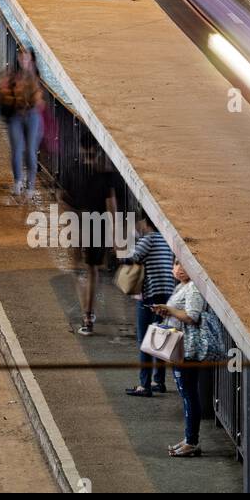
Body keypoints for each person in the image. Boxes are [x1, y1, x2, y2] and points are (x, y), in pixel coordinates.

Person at [152, 260, 206, 457]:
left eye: (179, 264)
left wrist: (170, 310)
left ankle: (192, 441)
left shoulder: (193, 288)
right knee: (186, 394)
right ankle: (188, 438)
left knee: (189, 394)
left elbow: (192, 315)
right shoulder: (182, 286)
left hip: (187, 349)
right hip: (178, 347)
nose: (175, 267)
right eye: (175, 263)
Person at [68, 140, 119, 336]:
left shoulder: (75, 170)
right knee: (92, 271)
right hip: (97, 226)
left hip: (79, 223)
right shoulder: (106, 176)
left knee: (79, 270)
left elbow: (64, 198)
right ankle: (88, 315)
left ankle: (87, 314)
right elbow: (111, 207)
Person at [121, 215, 174, 396]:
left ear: (146, 222)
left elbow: (132, 257)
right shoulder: (167, 238)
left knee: (145, 340)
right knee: (160, 337)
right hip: (168, 293)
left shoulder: (149, 238)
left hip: (151, 294)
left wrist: (122, 256)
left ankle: (145, 385)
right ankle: (158, 381)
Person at [0, 45, 43, 196]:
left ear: (31, 58)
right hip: (15, 115)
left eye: (26, 56)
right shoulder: (11, 75)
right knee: (17, 149)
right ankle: (18, 182)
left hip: (31, 115)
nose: (24, 59)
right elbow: (3, 93)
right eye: (21, 56)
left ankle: (30, 185)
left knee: (30, 150)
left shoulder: (35, 76)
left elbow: (38, 100)